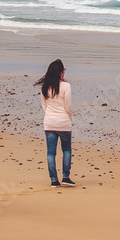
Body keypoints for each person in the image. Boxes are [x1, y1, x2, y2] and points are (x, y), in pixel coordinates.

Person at [34, 59, 74, 187]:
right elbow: (68, 106)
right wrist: (69, 117)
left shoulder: (45, 87)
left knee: (51, 152)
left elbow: (44, 106)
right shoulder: (66, 86)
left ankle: (53, 180)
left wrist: (50, 116)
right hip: (63, 122)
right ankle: (66, 177)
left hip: (49, 122)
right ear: (61, 73)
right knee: (66, 149)